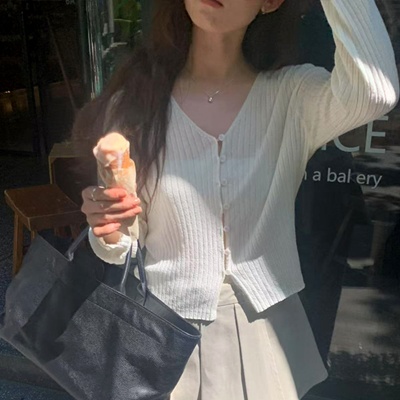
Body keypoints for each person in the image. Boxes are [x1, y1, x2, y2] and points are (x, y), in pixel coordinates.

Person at [72, 0, 399, 399]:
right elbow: (122, 246)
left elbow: (374, 92)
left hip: (267, 330)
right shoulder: (134, 105)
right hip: (163, 332)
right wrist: (108, 227)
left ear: (270, 2)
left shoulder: (292, 97)